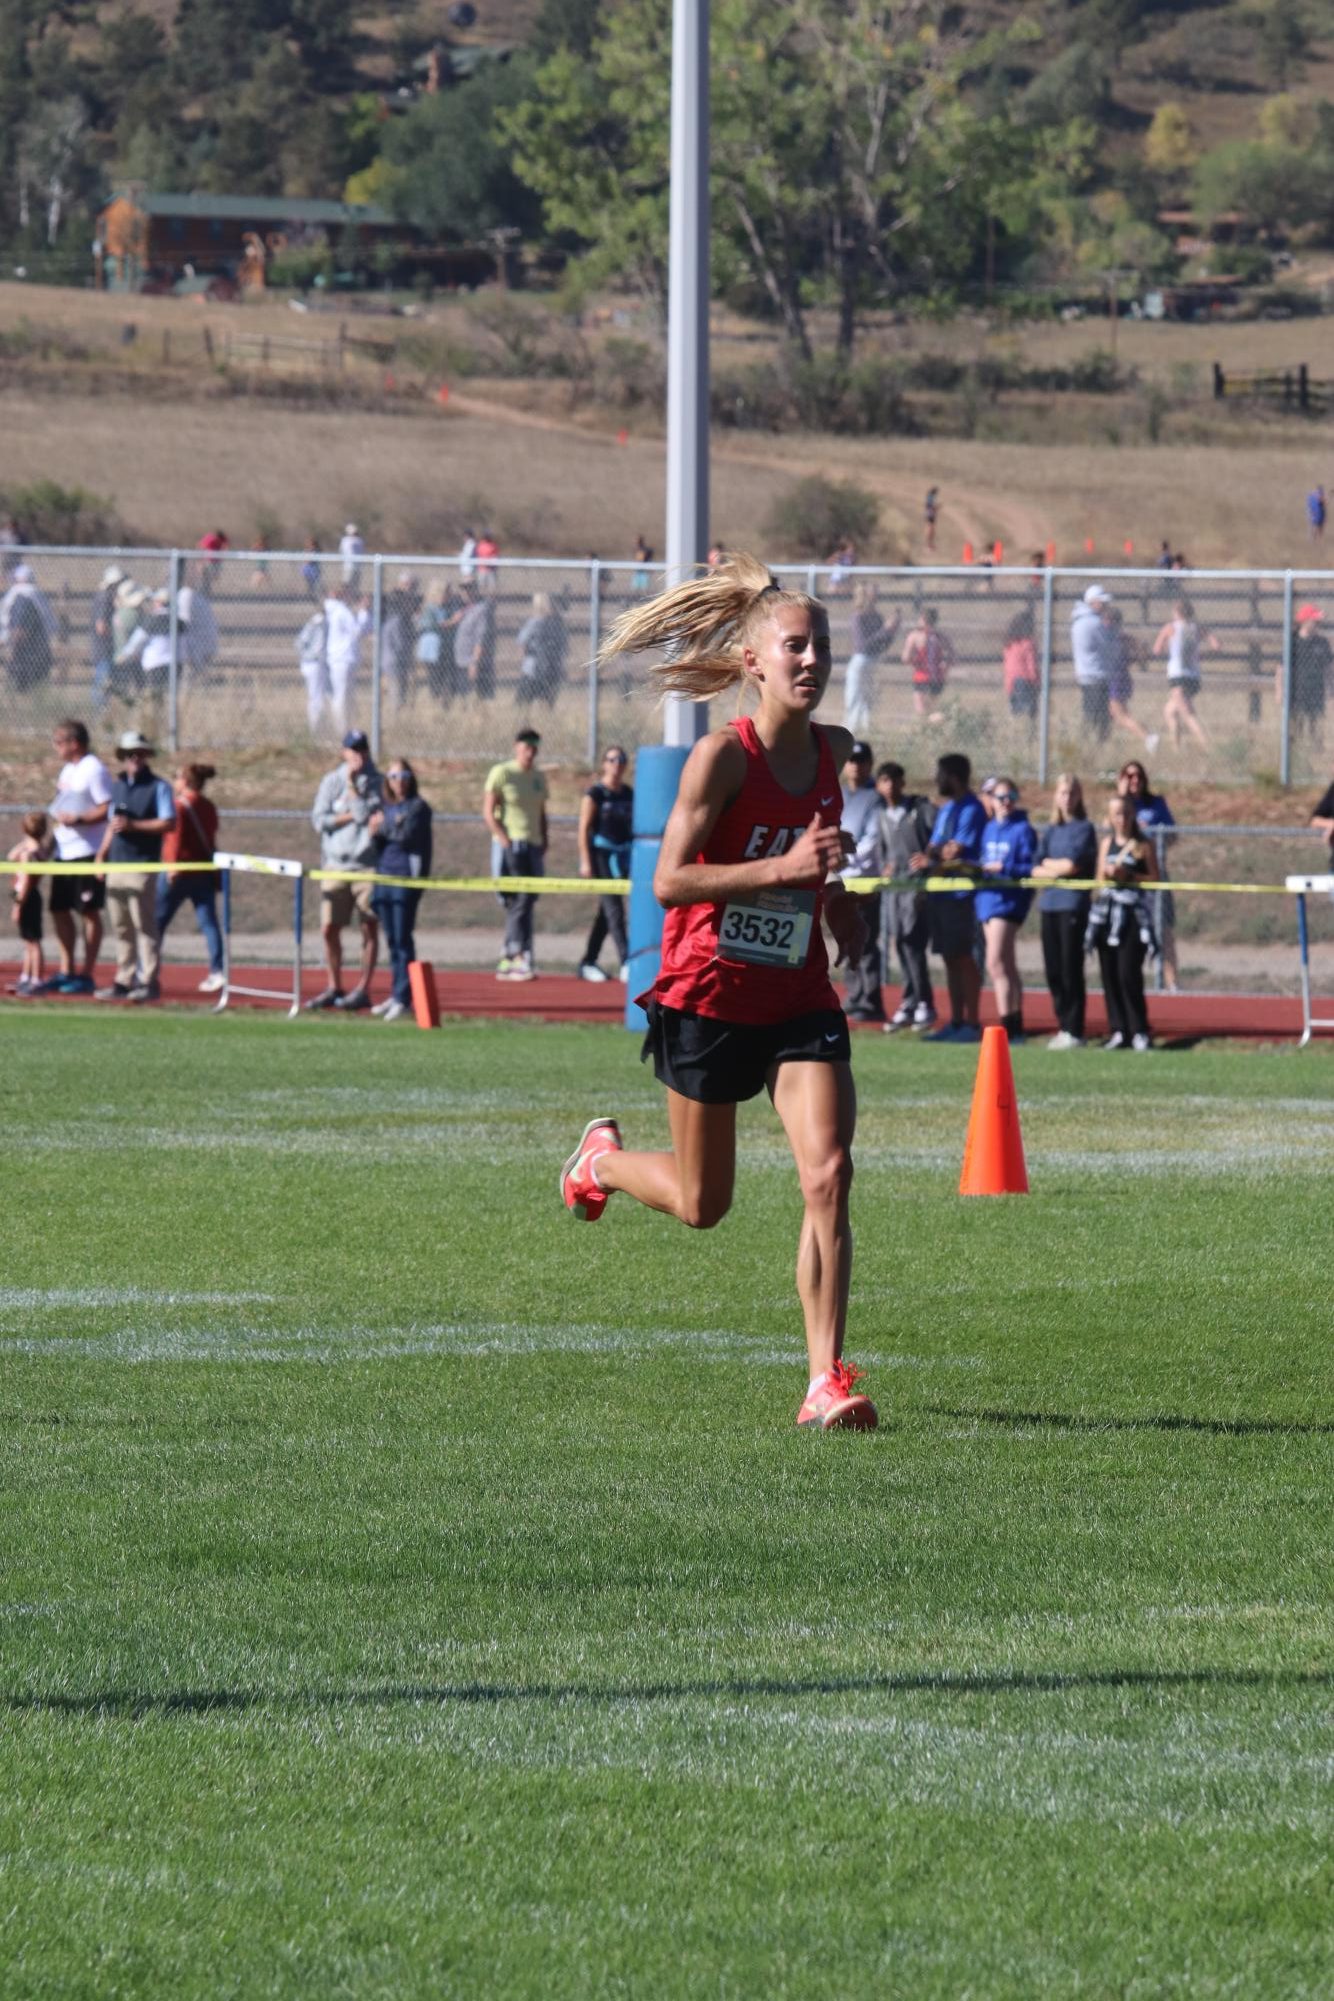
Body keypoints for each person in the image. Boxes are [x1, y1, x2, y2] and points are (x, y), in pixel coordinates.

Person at [558, 552, 878, 1434]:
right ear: (754, 663)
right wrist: (783, 867)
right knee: (705, 1205)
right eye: (795, 648)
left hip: (798, 998)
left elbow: (823, 852)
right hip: (706, 994)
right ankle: (600, 1163)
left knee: (831, 1172)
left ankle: (824, 1377)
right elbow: (668, 882)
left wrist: (840, 903)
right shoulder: (719, 760)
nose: (811, 661)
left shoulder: (834, 753)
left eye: (820, 648)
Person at [93, 729, 176, 1004]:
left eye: (140, 754)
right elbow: (112, 824)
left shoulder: (158, 787)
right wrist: (101, 856)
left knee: (144, 926)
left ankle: (148, 980)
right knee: (121, 927)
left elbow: (168, 822)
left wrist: (135, 825)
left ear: (147, 756)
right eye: (130, 754)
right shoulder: (118, 787)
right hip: (118, 864)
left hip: (142, 865)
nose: (135, 759)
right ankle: (123, 978)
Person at [308, 729, 382, 1011]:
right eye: (353, 750)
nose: (358, 755)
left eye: (362, 749)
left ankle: (363, 987)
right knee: (329, 928)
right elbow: (319, 820)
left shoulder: (378, 782)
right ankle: (333, 985)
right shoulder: (331, 781)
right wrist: (350, 814)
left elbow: (367, 816)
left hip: (366, 865)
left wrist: (353, 790)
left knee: (369, 927)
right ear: (344, 752)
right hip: (335, 864)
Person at [914, 751, 985, 1042]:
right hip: (940, 893)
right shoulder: (946, 809)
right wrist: (936, 853)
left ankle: (972, 1022)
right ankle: (955, 1021)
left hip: (960, 894)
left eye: (941, 774)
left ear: (953, 777)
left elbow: (954, 850)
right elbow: (935, 848)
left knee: (964, 957)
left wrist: (937, 854)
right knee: (948, 958)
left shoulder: (972, 809)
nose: (937, 780)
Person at [42, 719, 113, 996]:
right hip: (64, 850)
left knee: (88, 911)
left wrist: (81, 818)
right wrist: (47, 845)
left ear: (75, 743)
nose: (55, 747)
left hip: (87, 851)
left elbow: (107, 808)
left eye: (59, 741)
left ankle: (87, 973)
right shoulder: (68, 770)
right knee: (59, 909)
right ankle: (66, 968)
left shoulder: (94, 769)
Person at [1032, 773, 1097, 1049]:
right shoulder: (1052, 831)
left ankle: (1074, 1028)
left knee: (1071, 967)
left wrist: (1054, 867)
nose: (1067, 798)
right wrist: (1053, 868)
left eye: (1072, 793)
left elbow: (1073, 866)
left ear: (1079, 796)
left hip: (1072, 904)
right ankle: (1063, 1025)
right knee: (1053, 969)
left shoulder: (1084, 829)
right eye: (1062, 793)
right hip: (1049, 905)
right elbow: (1035, 869)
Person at [1089, 792, 1158, 1051]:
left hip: (1133, 916)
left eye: (1127, 813)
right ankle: (1118, 1029)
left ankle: (1139, 1029)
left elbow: (1154, 878)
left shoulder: (1143, 845)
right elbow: (1098, 879)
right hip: (1107, 915)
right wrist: (1108, 876)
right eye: (1117, 813)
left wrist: (1128, 875)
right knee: (1109, 974)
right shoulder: (1107, 844)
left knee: (1129, 973)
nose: (1122, 818)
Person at [368, 759, 432, 1023]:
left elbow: (405, 835)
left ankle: (405, 998)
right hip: (383, 877)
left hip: (405, 879)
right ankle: (396, 994)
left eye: (403, 775)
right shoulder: (385, 806)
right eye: (393, 775)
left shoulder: (418, 807)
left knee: (403, 940)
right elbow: (377, 839)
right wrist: (377, 830)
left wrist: (382, 827)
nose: (399, 780)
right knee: (392, 941)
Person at [876, 761, 936, 1034]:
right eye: (885, 780)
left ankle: (924, 1001)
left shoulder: (918, 810)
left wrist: (930, 857)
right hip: (894, 888)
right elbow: (884, 851)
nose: (890, 786)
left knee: (913, 943)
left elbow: (939, 834)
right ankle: (910, 1002)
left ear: (902, 782)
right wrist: (885, 866)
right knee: (900, 943)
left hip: (915, 886)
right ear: (879, 785)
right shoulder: (882, 815)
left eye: (895, 780)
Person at [484, 727, 548, 980]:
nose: (530, 753)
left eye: (534, 748)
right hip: (512, 844)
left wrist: (544, 839)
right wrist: (504, 839)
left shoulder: (538, 777)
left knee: (527, 901)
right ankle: (514, 954)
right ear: (516, 747)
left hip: (533, 844)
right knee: (518, 900)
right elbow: (489, 811)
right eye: (526, 747)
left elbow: (542, 812)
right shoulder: (502, 773)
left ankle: (517, 955)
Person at [976, 778, 1037, 1042]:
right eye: (1000, 797)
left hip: (1007, 901)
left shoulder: (1023, 830)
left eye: (1010, 796)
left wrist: (1006, 869)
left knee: (995, 963)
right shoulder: (988, 828)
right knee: (1006, 965)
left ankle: (1008, 1025)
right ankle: (1015, 1022)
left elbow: (1031, 868)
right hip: (987, 900)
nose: (1006, 802)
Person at [156, 762, 224, 994]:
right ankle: (217, 971)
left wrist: (172, 867)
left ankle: (147, 971)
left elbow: (174, 837)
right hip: (203, 871)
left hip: (180, 872)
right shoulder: (208, 806)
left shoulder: (180, 806)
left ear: (185, 780)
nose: (174, 781)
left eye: (177, 777)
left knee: (155, 922)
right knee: (209, 923)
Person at [1117, 760, 1179, 993]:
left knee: (1162, 930)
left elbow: (1172, 835)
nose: (1134, 781)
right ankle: (1133, 983)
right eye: (1129, 776)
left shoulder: (1155, 804)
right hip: (1127, 878)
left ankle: (1171, 983)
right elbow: (1109, 832)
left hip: (1153, 874)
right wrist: (1121, 797)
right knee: (1128, 932)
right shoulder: (1119, 806)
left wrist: (1151, 845)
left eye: (1138, 777)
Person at [839, 739, 886, 1022]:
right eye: (851, 760)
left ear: (869, 765)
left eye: (861, 761)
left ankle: (869, 999)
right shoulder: (839, 793)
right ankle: (854, 995)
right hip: (840, 880)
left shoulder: (875, 798)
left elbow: (872, 840)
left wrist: (846, 859)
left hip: (864, 880)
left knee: (865, 940)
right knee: (846, 939)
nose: (855, 766)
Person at [577, 745, 633, 982]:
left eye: (621, 759)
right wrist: (585, 861)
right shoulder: (595, 794)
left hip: (623, 857)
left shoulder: (628, 792)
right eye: (612, 759)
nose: (617, 764)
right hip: (601, 855)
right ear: (604, 763)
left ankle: (588, 960)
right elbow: (583, 829)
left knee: (606, 914)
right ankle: (627, 961)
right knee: (614, 910)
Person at [1153, 594, 1218, 751]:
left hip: (1178, 676)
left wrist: (1169, 648)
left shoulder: (1170, 628)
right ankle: (1176, 749)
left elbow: (1157, 650)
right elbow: (1216, 645)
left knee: (1188, 714)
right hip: (1194, 677)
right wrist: (1200, 656)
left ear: (1177, 612)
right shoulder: (1197, 628)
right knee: (1169, 711)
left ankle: (1209, 747)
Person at [843, 585, 897, 739]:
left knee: (867, 699)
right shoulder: (858, 616)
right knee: (854, 697)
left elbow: (882, 644)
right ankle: (850, 733)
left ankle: (866, 733)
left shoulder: (877, 616)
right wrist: (885, 630)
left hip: (873, 661)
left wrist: (891, 630)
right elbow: (863, 645)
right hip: (861, 660)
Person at [8, 811, 53, 995]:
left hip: (27, 897)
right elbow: (12, 857)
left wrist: (19, 904)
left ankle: (36, 979)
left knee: (33, 941)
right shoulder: (37, 849)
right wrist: (25, 842)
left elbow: (26, 880)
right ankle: (26, 977)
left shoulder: (31, 853)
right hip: (28, 896)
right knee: (29, 941)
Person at [1104, 605, 1157, 750]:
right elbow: (1140, 649)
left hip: (1116, 679)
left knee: (1120, 716)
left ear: (1111, 621)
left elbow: (1140, 651)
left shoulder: (1111, 636)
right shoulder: (1124, 637)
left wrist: (1135, 659)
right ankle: (1105, 743)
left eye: (1106, 619)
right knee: (1116, 714)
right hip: (1122, 678)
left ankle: (1148, 737)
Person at [1, 562, 57, 692]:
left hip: (24, 652)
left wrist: (9, 642)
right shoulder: (36, 595)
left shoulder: (21, 596)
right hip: (40, 648)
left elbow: (18, 627)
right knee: (36, 686)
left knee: (22, 685)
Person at [323, 585, 371, 735]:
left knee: (345, 694)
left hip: (342, 658)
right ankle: (341, 729)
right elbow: (357, 631)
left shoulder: (336, 610)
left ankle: (345, 726)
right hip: (343, 658)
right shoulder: (342, 611)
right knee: (342, 694)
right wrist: (363, 611)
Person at [1070, 583, 1113, 743]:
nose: (1105, 605)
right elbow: (1108, 644)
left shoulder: (1079, 620)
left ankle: (1089, 743)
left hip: (1085, 674)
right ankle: (1094, 744)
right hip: (1096, 674)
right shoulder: (1094, 623)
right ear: (1093, 602)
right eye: (1102, 602)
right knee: (1100, 718)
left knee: (1090, 713)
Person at [1288, 603, 1331, 746]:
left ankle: (1316, 747)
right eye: (1314, 621)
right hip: (1297, 689)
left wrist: (1330, 688)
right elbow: (1281, 667)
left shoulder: (1322, 642)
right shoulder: (1293, 642)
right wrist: (1279, 690)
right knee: (1296, 721)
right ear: (1305, 621)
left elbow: (1328, 668)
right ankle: (1294, 748)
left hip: (1316, 689)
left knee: (1316, 720)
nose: (1317, 623)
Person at [902, 606, 953, 721]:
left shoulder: (915, 636)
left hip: (921, 677)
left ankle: (939, 720)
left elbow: (905, 658)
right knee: (932, 709)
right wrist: (945, 667)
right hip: (937, 678)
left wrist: (914, 661)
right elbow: (952, 656)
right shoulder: (941, 637)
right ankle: (938, 721)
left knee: (921, 713)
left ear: (922, 620)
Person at [517, 592, 568, 706]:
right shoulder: (558, 624)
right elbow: (563, 648)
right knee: (545, 703)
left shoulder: (535, 622)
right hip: (551, 669)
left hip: (533, 670)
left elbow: (522, 643)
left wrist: (524, 660)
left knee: (522, 705)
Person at [382, 571, 421, 711]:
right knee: (396, 689)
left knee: (403, 686)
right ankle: (395, 713)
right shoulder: (394, 602)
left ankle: (401, 712)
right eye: (409, 585)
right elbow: (398, 641)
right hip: (395, 656)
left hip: (403, 653)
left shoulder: (410, 604)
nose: (411, 589)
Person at [90, 565, 124, 712]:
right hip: (104, 647)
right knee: (102, 680)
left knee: (106, 680)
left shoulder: (106, 597)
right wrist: (117, 635)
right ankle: (99, 710)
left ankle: (104, 709)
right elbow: (101, 626)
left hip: (105, 647)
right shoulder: (105, 598)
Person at [296, 599, 330, 735]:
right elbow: (300, 642)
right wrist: (310, 655)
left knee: (319, 696)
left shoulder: (319, 621)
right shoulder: (319, 622)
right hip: (313, 662)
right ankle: (315, 728)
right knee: (316, 697)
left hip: (315, 662)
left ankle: (319, 726)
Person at [1002, 605, 1039, 728]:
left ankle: (1017, 734)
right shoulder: (1028, 644)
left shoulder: (1009, 644)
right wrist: (1036, 681)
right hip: (1025, 681)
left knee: (1016, 712)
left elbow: (1008, 666)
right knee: (1028, 712)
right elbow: (1031, 665)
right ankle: (1028, 736)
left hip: (1011, 682)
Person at [456, 586, 496, 699]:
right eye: (463, 589)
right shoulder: (465, 608)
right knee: (464, 698)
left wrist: (474, 662)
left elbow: (481, 639)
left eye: (469, 589)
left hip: (472, 662)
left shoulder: (481, 610)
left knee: (475, 697)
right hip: (462, 661)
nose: (466, 593)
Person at [339, 522, 364, 589]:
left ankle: (348, 596)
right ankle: (350, 596)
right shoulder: (359, 540)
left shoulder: (346, 540)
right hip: (354, 565)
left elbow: (341, 551)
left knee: (349, 583)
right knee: (352, 584)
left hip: (351, 565)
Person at [924, 486, 939, 552]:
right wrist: (936, 507)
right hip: (930, 515)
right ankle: (928, 545)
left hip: (931, 515)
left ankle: (930, 545)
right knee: (930, 530)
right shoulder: (930, 497)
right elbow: (929, 506)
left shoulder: (930, 497)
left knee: (931, 530)